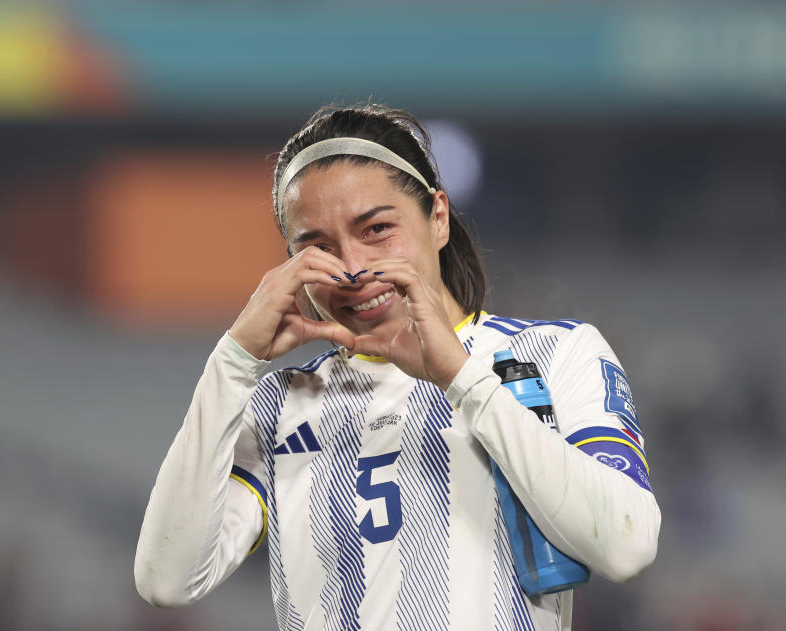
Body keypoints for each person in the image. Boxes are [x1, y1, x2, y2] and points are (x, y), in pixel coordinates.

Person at [134, 104, 660, 630]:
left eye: (378, 229)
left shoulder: (554, 353)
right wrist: (232, 362)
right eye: (316, 247)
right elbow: (167, 580)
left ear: (438, 218)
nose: (353, 269)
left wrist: (462, 377)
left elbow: (626, 547)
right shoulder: (278, 403)